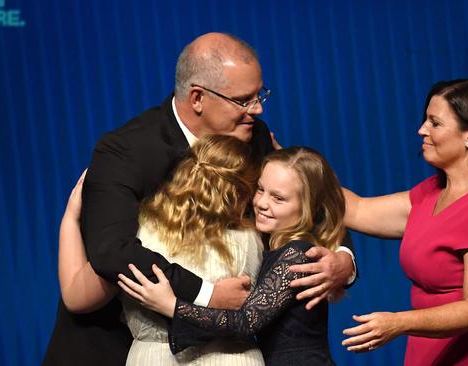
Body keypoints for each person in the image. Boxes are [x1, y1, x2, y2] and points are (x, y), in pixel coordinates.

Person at [43, 32, 356, 366]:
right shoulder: (125, 151)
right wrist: (208, 294)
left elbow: (310, 201)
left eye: (259, 94)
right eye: (244, 100)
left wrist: (342, 260)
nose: (258, 108)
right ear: (197, 98)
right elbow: (113, 254)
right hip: (127, 346)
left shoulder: (255, 136)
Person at [341, 79, 468, 365]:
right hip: (425, 355)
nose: (421, 130)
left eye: (434, 123)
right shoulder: (430, 193)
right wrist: (287, 164)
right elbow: (356, 209)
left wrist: (399, 322)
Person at [118, 146, 346, 365]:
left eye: (278, 198)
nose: (261, 203)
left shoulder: (297, 254)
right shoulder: (276, 248)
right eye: (260, 189)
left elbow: (245, 322)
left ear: (309, 205)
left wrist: (171, 305)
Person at [60, 135, 268, 365]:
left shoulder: (136, 238)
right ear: (243, 193)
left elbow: (77, 298)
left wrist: (70, 220)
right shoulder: (251, 239)